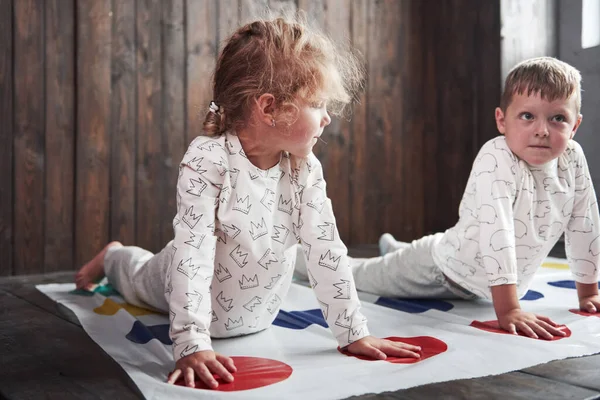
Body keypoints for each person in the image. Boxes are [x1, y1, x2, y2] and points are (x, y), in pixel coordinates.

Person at [75, 16, 421, 389]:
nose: (328, 117)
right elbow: (192, 251)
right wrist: (191, 342)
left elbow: (326, 250)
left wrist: (353, 333)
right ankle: (113, 255)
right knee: (138, 275)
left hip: (253, 316)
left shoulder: (304, 168)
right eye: (317, 103)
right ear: (269, 108)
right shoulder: (209, 158)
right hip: (182, 279)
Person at [336, 57, 600, 340]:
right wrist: (509, 309)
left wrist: (589, 293)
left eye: (558, 118)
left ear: (574, 127)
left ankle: (396, 249)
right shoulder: (496, 157)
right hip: (443, 270)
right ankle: (297, 258)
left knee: (420, 250)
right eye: (527, 116)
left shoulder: (572, 158)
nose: (542, 130)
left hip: (474, 274)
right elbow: (497, 232)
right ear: (502, 120)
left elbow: (584, 222)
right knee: (353, 275)